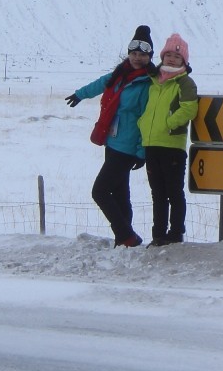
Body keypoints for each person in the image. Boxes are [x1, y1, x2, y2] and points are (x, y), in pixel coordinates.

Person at [65, 25, 155, 247]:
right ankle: (123, 240)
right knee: (120, 192)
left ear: (149, 56)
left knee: (100, 191)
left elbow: (146, 119)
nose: (136, 58)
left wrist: (141, 152)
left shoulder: (147, 83)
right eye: (134, 53)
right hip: (112, 142)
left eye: (142, 55)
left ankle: (126, 236)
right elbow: (100, 84)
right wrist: (80, 94)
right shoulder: (121, 74)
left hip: (127, 148)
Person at [138, 31, 199, 245]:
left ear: (184, 60)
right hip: (152, 144)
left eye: (177, 56)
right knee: (157, 193)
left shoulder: (185, 82)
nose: (172, 59)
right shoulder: (154, 80)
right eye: (169, 55)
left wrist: (169, 124)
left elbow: (189, 109)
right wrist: (143, 125)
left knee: (174, 191)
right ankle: (158, 235)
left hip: (172, 145)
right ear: (162, 57)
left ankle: (175, 233)